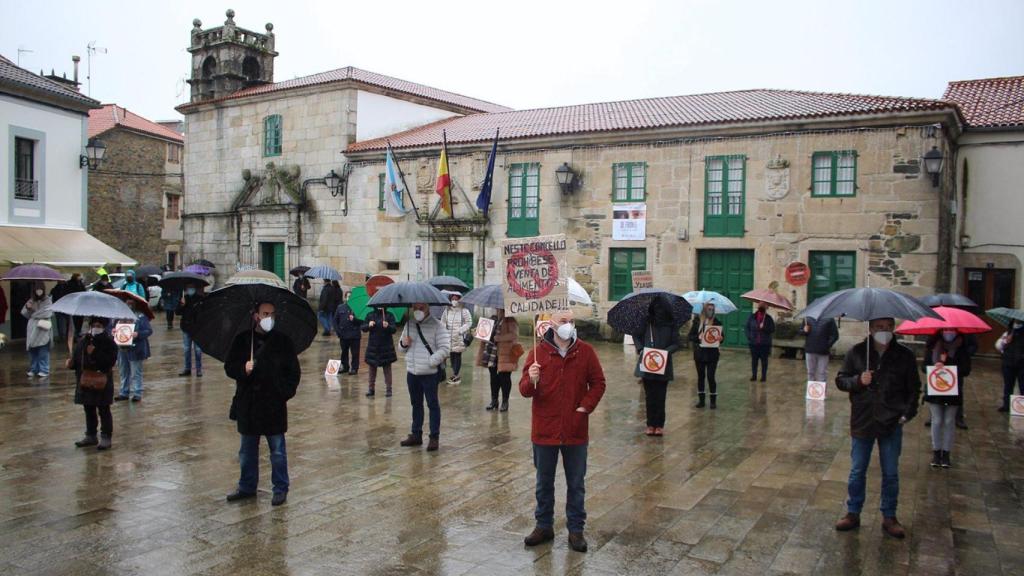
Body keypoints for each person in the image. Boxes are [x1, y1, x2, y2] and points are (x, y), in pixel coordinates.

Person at [520, 309, 606, 553]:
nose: (568, 325)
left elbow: (598, 383)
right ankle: (543, 525)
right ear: (551, 325)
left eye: (571, 321)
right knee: (543, 482)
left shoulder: (585, 351)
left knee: (576, 483)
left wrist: (584, 407)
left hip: (575, 429)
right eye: (563, 321)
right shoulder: (537, 353)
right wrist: (532, 378)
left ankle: (576, 529)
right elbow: (525, 390)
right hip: (544, 429)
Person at [834, 317, 920, 539]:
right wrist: (858, 381)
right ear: (871, 328)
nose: (885, 331)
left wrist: (906, 414)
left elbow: (914, 388)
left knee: (890, 472)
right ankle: (853, 512)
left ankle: (889, 515)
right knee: (857, 470)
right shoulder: (857, 352)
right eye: (880, 327)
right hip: (863, 419)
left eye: (889, 327)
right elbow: (841, 380)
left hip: (891, 421)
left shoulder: (904, 356)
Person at [223, 301, 302, 507]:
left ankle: (280, 488)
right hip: (248, 405)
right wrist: (243, 368)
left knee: (277, 451)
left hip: (273, 406)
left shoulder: (283, 341)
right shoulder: (242, 340)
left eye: (272, 314)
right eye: (265, 313)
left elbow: (293, 372)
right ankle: (247, 486)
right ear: (255, 315)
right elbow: (229, 367)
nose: (269, 318)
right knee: (247, 451)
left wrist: (283, 393)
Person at [398, 302, 450, 451]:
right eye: (415, 308)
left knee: (432, 405)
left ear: (428, 308)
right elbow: (400, 348)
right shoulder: (409, 324)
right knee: (416, 404)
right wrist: (404, 343)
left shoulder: (437, 325)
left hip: (429, 374)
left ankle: (434, 437)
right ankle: (416, 434)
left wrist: (431, 361)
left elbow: (445, 348)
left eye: (421, 308)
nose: (417, 311)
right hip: (412, 372)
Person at [68, 317, 118, 450]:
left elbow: (110, 362)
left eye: (99, 324)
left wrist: (95, 352)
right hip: (85, 380)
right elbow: (78, 357)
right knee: (88, 409)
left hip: (102, 381)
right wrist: (72, 363)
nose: (96, 326)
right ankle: (91, 435)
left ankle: (106, 436)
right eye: (94, 324)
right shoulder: (84, 340)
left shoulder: (109, 342)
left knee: (103, 409)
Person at [923, 329, 971, 468]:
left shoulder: (961, 348)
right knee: (937, 421)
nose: (949, 332)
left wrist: (948, 364)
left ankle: (947, 452)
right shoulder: (933, 346)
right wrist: (935, 366)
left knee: (949, 421)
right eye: (946, 330)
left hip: (952, 391)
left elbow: (966, 369)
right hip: (935, 389)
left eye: (952, 330)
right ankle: (936, 451)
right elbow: (924, 366)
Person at [633, 296, 680, 436]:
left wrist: (665, 352)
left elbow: (676, 343)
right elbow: (637, 336)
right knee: (649, 396)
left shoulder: (671, 324)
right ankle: (650, 424)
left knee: (660, 396)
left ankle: (659, 424)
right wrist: (641, 348)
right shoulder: (647, 322)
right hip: (648, 362)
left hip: (663, 364)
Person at [477, 310, 522, 411]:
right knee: (493, 377)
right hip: (491, 352)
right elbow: (485, 333)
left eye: (500, 308)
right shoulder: (492, 318)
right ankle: (494, 401)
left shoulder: (510, 319)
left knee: (504, 377)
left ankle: (505, 402)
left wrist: (500, 338)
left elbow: (514, 335)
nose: (498, 309)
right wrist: (481, 333)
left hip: (505, 354)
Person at [113, 299, 153, 402]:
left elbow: (148, 330)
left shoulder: (140, 316)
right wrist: (113, 332)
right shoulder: (119, 316)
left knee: (136, 372)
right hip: (122, 348)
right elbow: (111, 328)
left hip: (136, 348)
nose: (129, 305)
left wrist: (138, 334)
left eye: (131, 303)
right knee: (123, 371)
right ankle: (124, 392)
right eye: (127, 302)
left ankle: (137, 393)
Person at [688, 302, 723, 409]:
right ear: (704, 310)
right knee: (701, 377)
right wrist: (698, 337)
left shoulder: (717, 322)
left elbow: (722, 337)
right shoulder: (697, 322)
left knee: (711, 377)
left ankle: (713, 401)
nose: (710, 311)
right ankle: (701, 401)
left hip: (712, 354)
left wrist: (721, 338)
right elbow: (690, 336)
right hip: (700, 354)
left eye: (712, 309)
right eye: (708, 309)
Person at [362, 307, 398, 397]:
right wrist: (368, 325)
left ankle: (389, 389)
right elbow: (363, 328)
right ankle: (371, 389)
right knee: (372, 370)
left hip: (386, 347)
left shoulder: (389, 315)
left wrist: (388, 326)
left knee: (387, 370)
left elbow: (394, 329)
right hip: (373, 347)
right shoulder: (370, 315)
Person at [21, 282, 53, 378]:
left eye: (41, 289)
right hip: (32, 329)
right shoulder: (31, 300)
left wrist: (34, 312)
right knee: (32, 351)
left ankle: (44, 370)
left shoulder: (48, 301)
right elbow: (24, 314)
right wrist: (28, 308)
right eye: (37, 290)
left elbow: (47, 313)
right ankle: (33, 369)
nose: (39, 291)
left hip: (43, 329)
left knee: (43, 351)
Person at [440, 292, 472, 384]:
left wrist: (460, 330)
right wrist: (444, 330)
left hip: (459, 338)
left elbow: (469, 322)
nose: (454, 301)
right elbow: (443, 322)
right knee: (452, 356)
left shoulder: (464, 311)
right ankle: (454, 374)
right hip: (448, 338)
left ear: (459, 299)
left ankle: (456, 375)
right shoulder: (447, 310)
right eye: (452, 299)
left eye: (456, 299)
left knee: (457, 356)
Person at [997, 320, 1024, 412]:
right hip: (1008, 362)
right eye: (1015, 322)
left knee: (1022, 386)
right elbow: (999, 346)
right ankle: (1006, 405)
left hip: (1022, 364)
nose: (1017, 324)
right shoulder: (1008, 333)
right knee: (1008, 385)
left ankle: (1021, 407)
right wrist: (1005, 341)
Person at [332, 292, 363, 375]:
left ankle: (354, 368)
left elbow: (362, 322)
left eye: (351, 296)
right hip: (343, 335)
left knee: (355, 353)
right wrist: (338, 332)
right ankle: (345, 367)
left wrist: (354, 319)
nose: (350, 298)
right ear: (345, 298)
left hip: (355, 335)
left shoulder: (357, 308)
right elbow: (335, 321)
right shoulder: (340, 307)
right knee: (344, 352)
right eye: (348, 296)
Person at [179, 283, 205, 377]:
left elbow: (203, 312)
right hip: (186, 327)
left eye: (192, 287)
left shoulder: (200, 299)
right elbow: (177, 312)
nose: (190, 289)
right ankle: (187, 369)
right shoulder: (183, 298)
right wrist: (182, 305)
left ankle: (199, 369)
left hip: (197, 328)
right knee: (187, 350)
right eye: (188, 288)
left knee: (198, 350)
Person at [803, 317, 839, 383]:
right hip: (810, 350)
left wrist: (826, 345)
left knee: (822, 374)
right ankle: (811, 392)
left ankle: (821, 392)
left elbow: (835, 335)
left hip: (823, 352)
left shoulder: (830, 319)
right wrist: (804, 330)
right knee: (810, 373)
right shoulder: (807, 318)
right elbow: (801, 331)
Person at [745, 304, 775, 382]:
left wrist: (764, 328)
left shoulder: (768, 318)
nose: (761, 306)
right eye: (760, 304)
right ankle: (754, 375)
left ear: (766, 307)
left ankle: (763, 376)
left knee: (764, 361)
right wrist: (749, 337)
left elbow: (772, 329)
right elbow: (747, 327)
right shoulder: (752, 317)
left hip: (764, 344)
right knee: (754, 360)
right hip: (754, 343)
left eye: (763, 305)